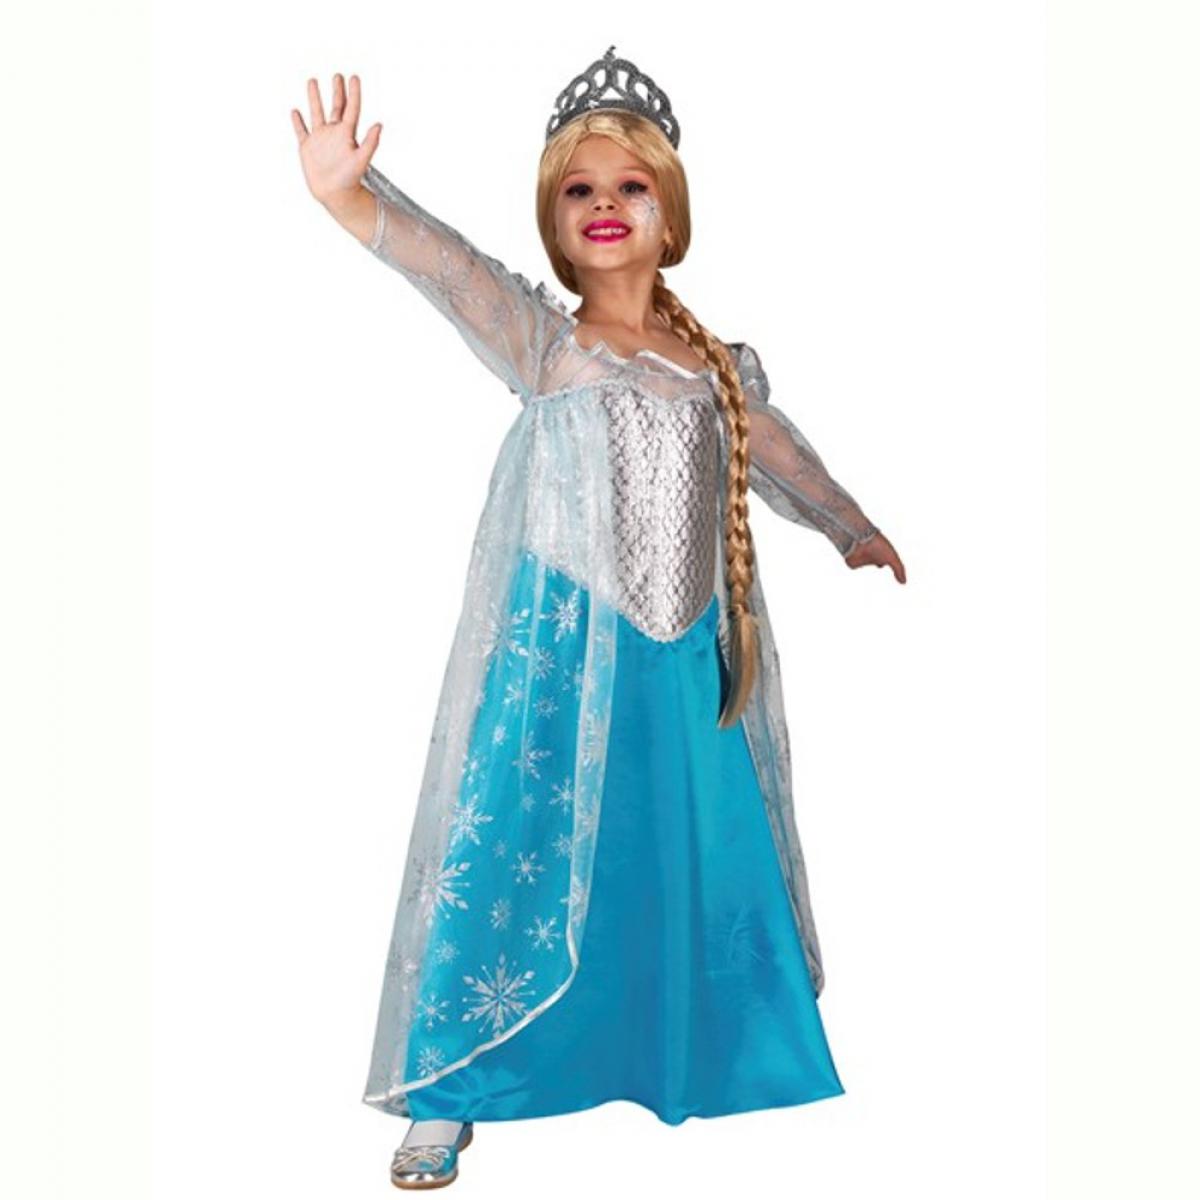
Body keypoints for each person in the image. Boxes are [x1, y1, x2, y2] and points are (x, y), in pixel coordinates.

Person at [291, 46, 906, 1190]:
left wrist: (849, 524)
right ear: (554, 218)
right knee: (518, 840)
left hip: (688, 657)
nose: (605, 205)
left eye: (630, 186)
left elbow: (778, 453)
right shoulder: (547, 342)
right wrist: (349, 195)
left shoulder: (717, 367)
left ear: (671, 212)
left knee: (683, 846)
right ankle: (452, 1088)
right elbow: (444, 264)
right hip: (566, 652)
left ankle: (681, 1048)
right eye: (579, 189)